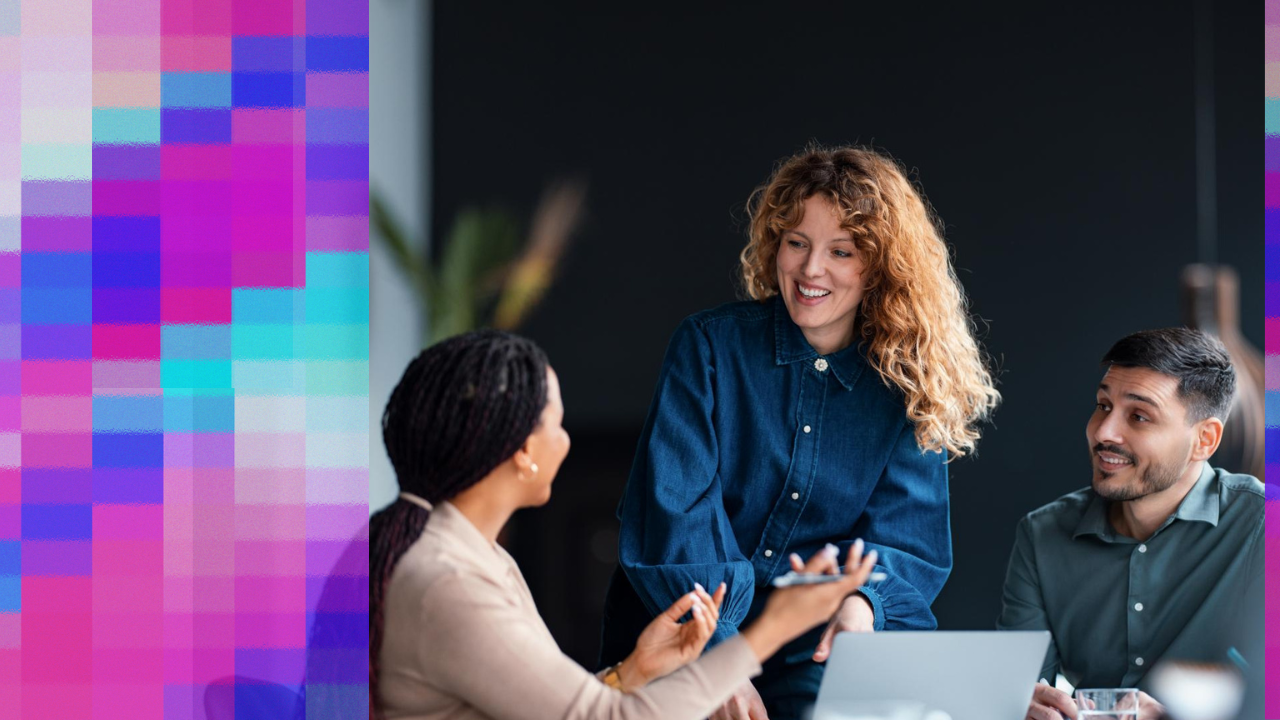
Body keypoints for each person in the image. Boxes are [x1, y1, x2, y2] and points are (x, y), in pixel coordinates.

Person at [600, 145, 1001, 720]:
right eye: (797, 243)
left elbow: (907, 541)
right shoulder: (709, 348)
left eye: (841, 251)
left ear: (882, 267)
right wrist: (719, 662)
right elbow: (675, 517)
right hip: (683, 628)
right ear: (774, 245)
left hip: (812, 643)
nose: (811, 270)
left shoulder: (908, 382)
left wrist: (863, 606)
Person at [370, 329, 881, 720]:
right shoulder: (448, 582)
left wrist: (631, 671)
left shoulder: (470, 557)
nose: (566, 440)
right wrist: (773, 629)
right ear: (524, 452)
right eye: (556, 424)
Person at [997, 328, 1263, 720]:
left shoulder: (1263, 525)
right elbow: (1017, 688)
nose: (1103, 433)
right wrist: (1021, 702)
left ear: (1204, 440)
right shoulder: (1042, 535)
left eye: (1139, 416)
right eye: (1103, 406)